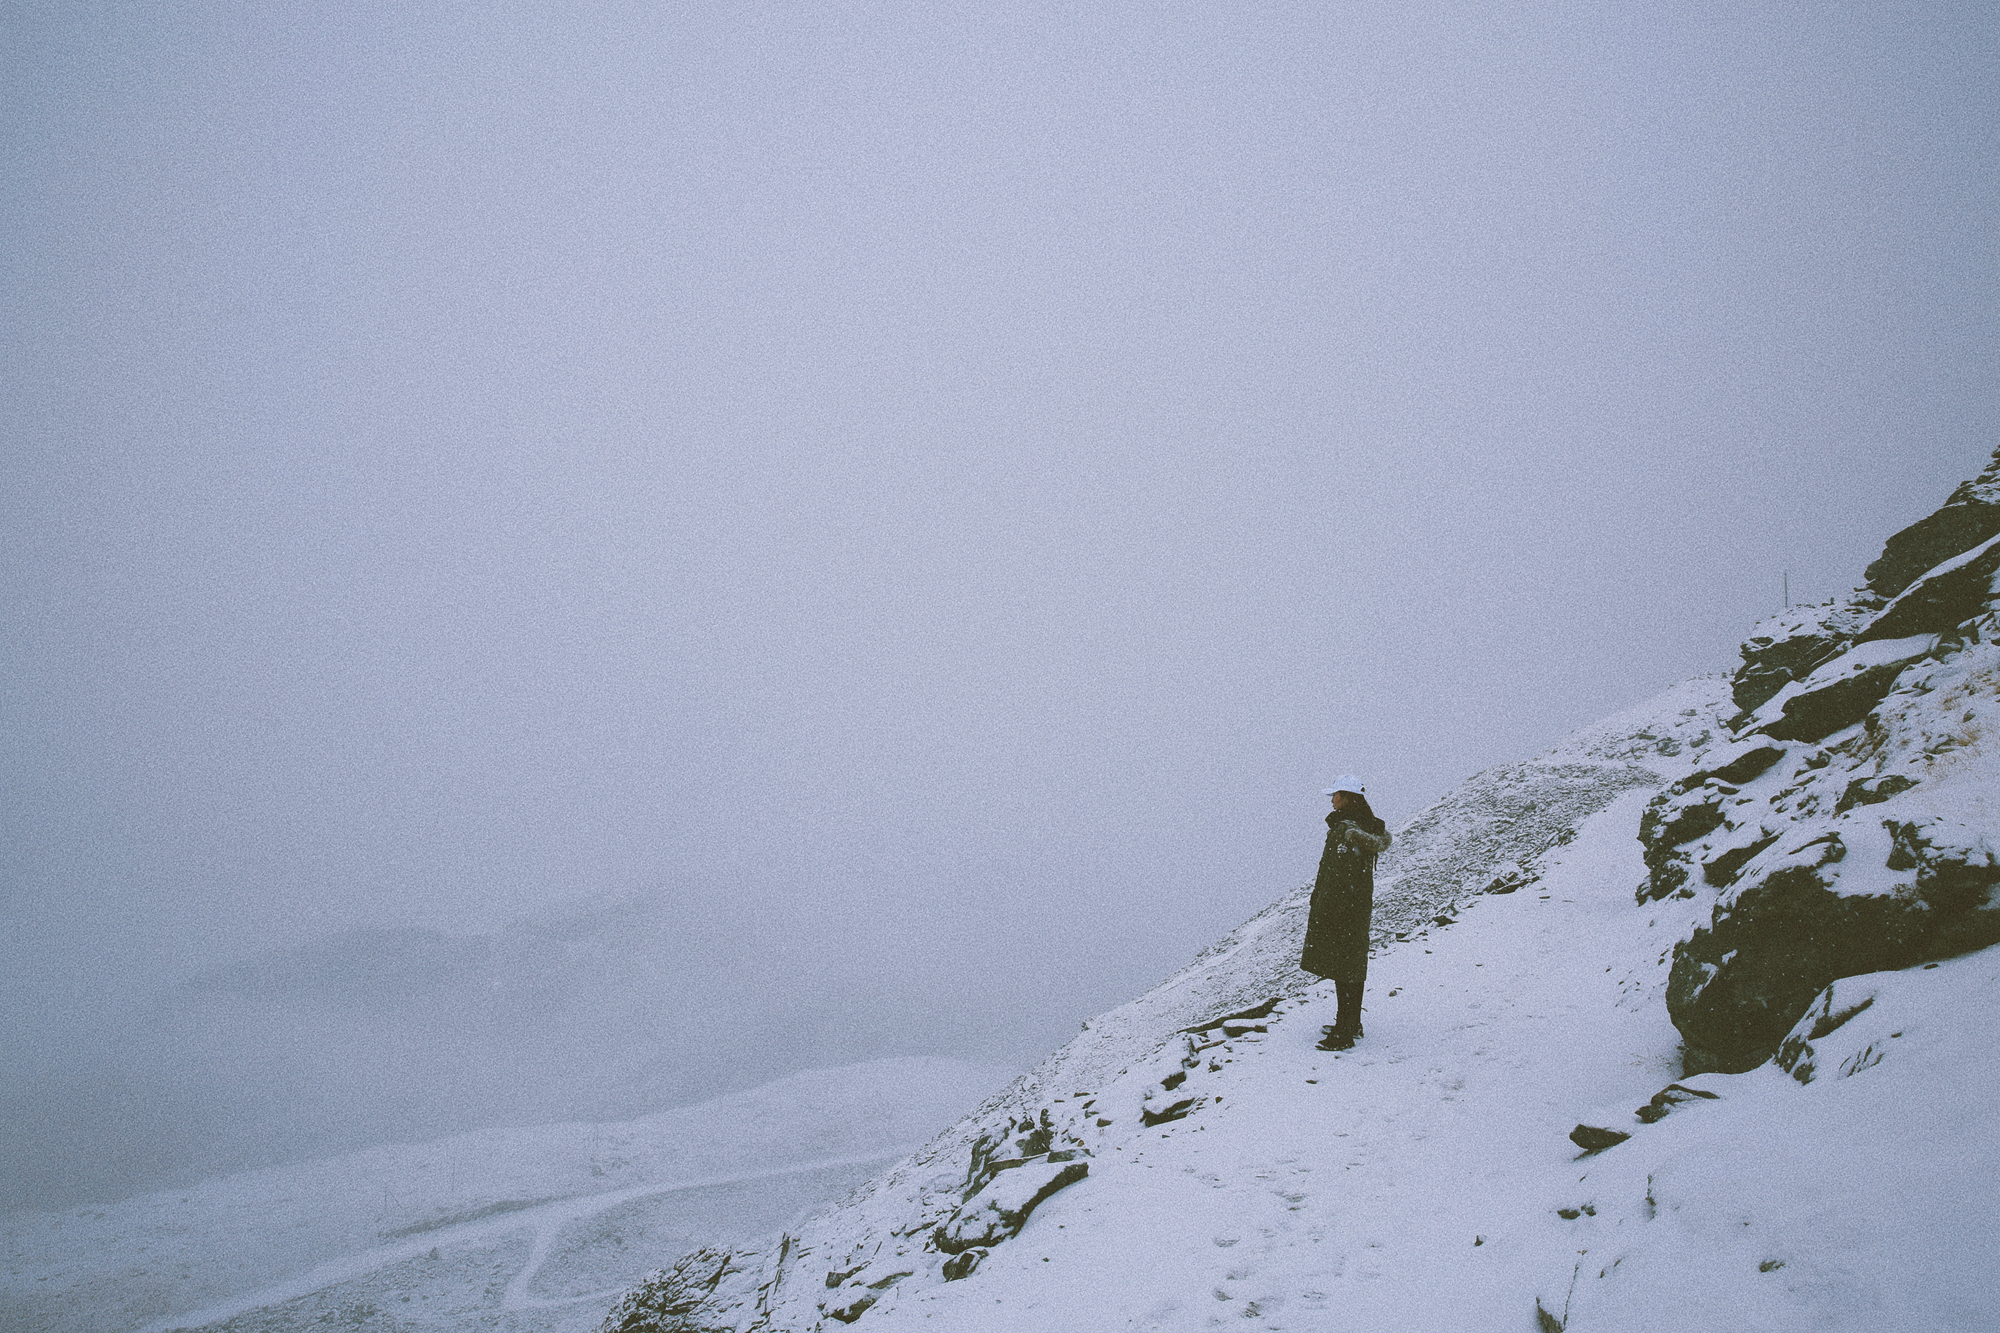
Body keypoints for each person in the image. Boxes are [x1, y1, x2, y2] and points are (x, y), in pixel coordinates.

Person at [1301, 774, 1391, 1051]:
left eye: (1335, 795)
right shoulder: (1364, 826)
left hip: (1341, 907)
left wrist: (1324, 906)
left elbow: (1336, 874)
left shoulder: (1345, 830)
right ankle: (1351, 1023)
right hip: (1357, 905)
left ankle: (1343, 1032)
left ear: (1347, 797)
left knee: (1344, 966)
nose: (1332, 799)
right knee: (1352, 964)